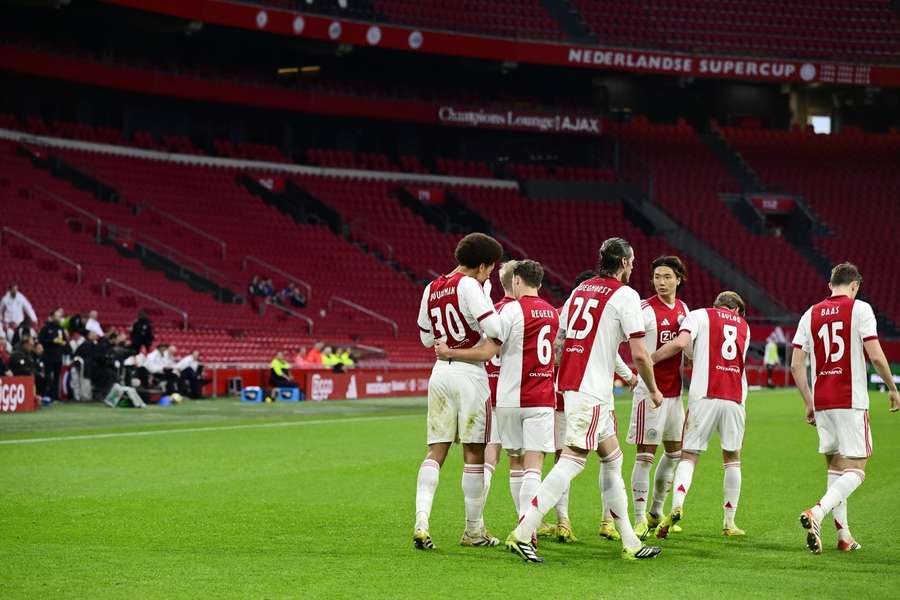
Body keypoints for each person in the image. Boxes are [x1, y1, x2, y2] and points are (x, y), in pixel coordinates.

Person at [506, 237, 663, 562]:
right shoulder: (626, 295)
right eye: (631, 262)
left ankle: (630, 541)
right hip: (590, 390)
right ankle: (523, 532)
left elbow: (560, 341)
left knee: (613, 459)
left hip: (580, 387)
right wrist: (653, 389)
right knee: (571, 461)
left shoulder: (579, 291)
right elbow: (640, 354)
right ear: (622, 263)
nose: (633, 267)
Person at [436, 259, 564, 536]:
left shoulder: (505, 312)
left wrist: (450, 353)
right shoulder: (553, 314)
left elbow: (486, 351)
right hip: (541, 397)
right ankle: (527, 528)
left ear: (517, 281)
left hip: (504, 397)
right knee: (533, 465)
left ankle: (479, 525)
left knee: (501, 460)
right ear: (540, 283)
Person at [790, 262, 899, 554]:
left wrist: (808, 401)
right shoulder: (860, 308)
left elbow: (795, 364)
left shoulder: (809, 313)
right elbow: (875, 354)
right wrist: (891, 387)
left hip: (822, 400)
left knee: (836, 469)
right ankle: (817, 511)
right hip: (850, 399)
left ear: (829, 285)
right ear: (855, 286)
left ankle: (844, 536)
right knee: (858, 469)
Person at [413, 232, 504, 551]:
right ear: (481, 265)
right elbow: (495, 329)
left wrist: (445, 345)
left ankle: (421, 522)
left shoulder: (432, 287)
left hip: (439, 375)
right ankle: (473, 530)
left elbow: (426, 339)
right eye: (490, 269)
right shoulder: (470, 285)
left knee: (435, 450)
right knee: (474, 453)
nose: (490, 275)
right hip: (469, 374)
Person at [652, 291, 751, 539]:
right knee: (732, 458)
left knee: (689, 455)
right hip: (735, 398)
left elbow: (682, 345)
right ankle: (730, 522)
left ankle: (677, 503)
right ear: (737, 311)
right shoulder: (744, 327)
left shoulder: (698, 315)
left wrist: (648, 359)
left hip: (705, 395)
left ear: (716, 304)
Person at [626, 256, 691, 540]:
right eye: (657, 277)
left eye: (667, 277)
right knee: (644, 456)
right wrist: (646, 368)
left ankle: (656, 510)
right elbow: (634, 348)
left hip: (675, 393)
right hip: (650, 392)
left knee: (675, 453)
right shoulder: (644, 309)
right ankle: (639, 518)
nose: (661, 282)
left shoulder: (683, 309)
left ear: (678, 279)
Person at [38, 308, 67, 402]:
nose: (59, 318)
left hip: (58, 356)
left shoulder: (60, 329)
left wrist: (63, 343)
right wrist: (52, 341)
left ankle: (55, 396)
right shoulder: (46, 328)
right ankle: (45, 395)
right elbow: (41, 340)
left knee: (57, 377)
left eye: (60, 316)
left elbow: (65, 340)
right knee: (47, 376)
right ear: (52, 317)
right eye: (57, 316)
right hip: (48, 356)